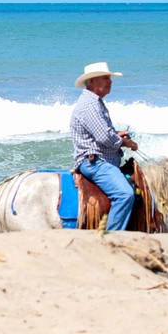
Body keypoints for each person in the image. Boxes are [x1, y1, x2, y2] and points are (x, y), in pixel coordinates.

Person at [70, 62, 139, 231]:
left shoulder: (94, 102)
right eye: (106, 78)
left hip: (100, 160)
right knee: (125, 194)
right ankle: (110, 239)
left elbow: (102, 132)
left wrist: (117, 134)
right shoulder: (90, 105)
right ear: (92, 81)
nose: (110, 82)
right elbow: (104, 137)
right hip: (96, 162)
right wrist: (125, 142)